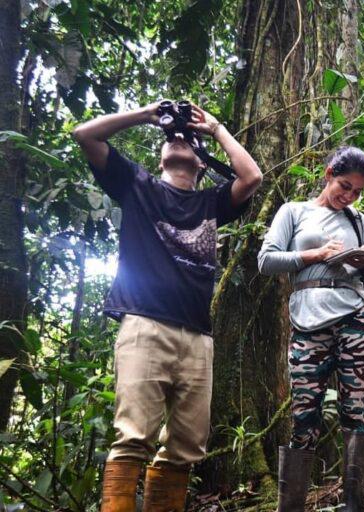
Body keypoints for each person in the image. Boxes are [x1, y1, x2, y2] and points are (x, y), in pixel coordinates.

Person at [72, 102, 262, 511]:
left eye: (188, 140)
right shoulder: (137, 184)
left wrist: (214, 128)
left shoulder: (211, 203)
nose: (179, 140)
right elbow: (84, 134)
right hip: (145, 326)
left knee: (187, 447)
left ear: (201, 162)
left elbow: (252, 177)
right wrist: (146, 114)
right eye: (171, 137)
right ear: (160, 154)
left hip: (197, 338)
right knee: (133, 436)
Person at [258, 146, 364, 512]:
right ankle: (291, 506)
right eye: (345, 186)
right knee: (304, 414)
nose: (349, 196)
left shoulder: (358, 221)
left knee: (355, 408)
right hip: (307, 321)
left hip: (356, 317)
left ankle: (353, 505)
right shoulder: (294, 211)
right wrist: (315, 255)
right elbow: (266, 260)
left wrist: (362, 262)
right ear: (329, 173)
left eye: (357, 192)